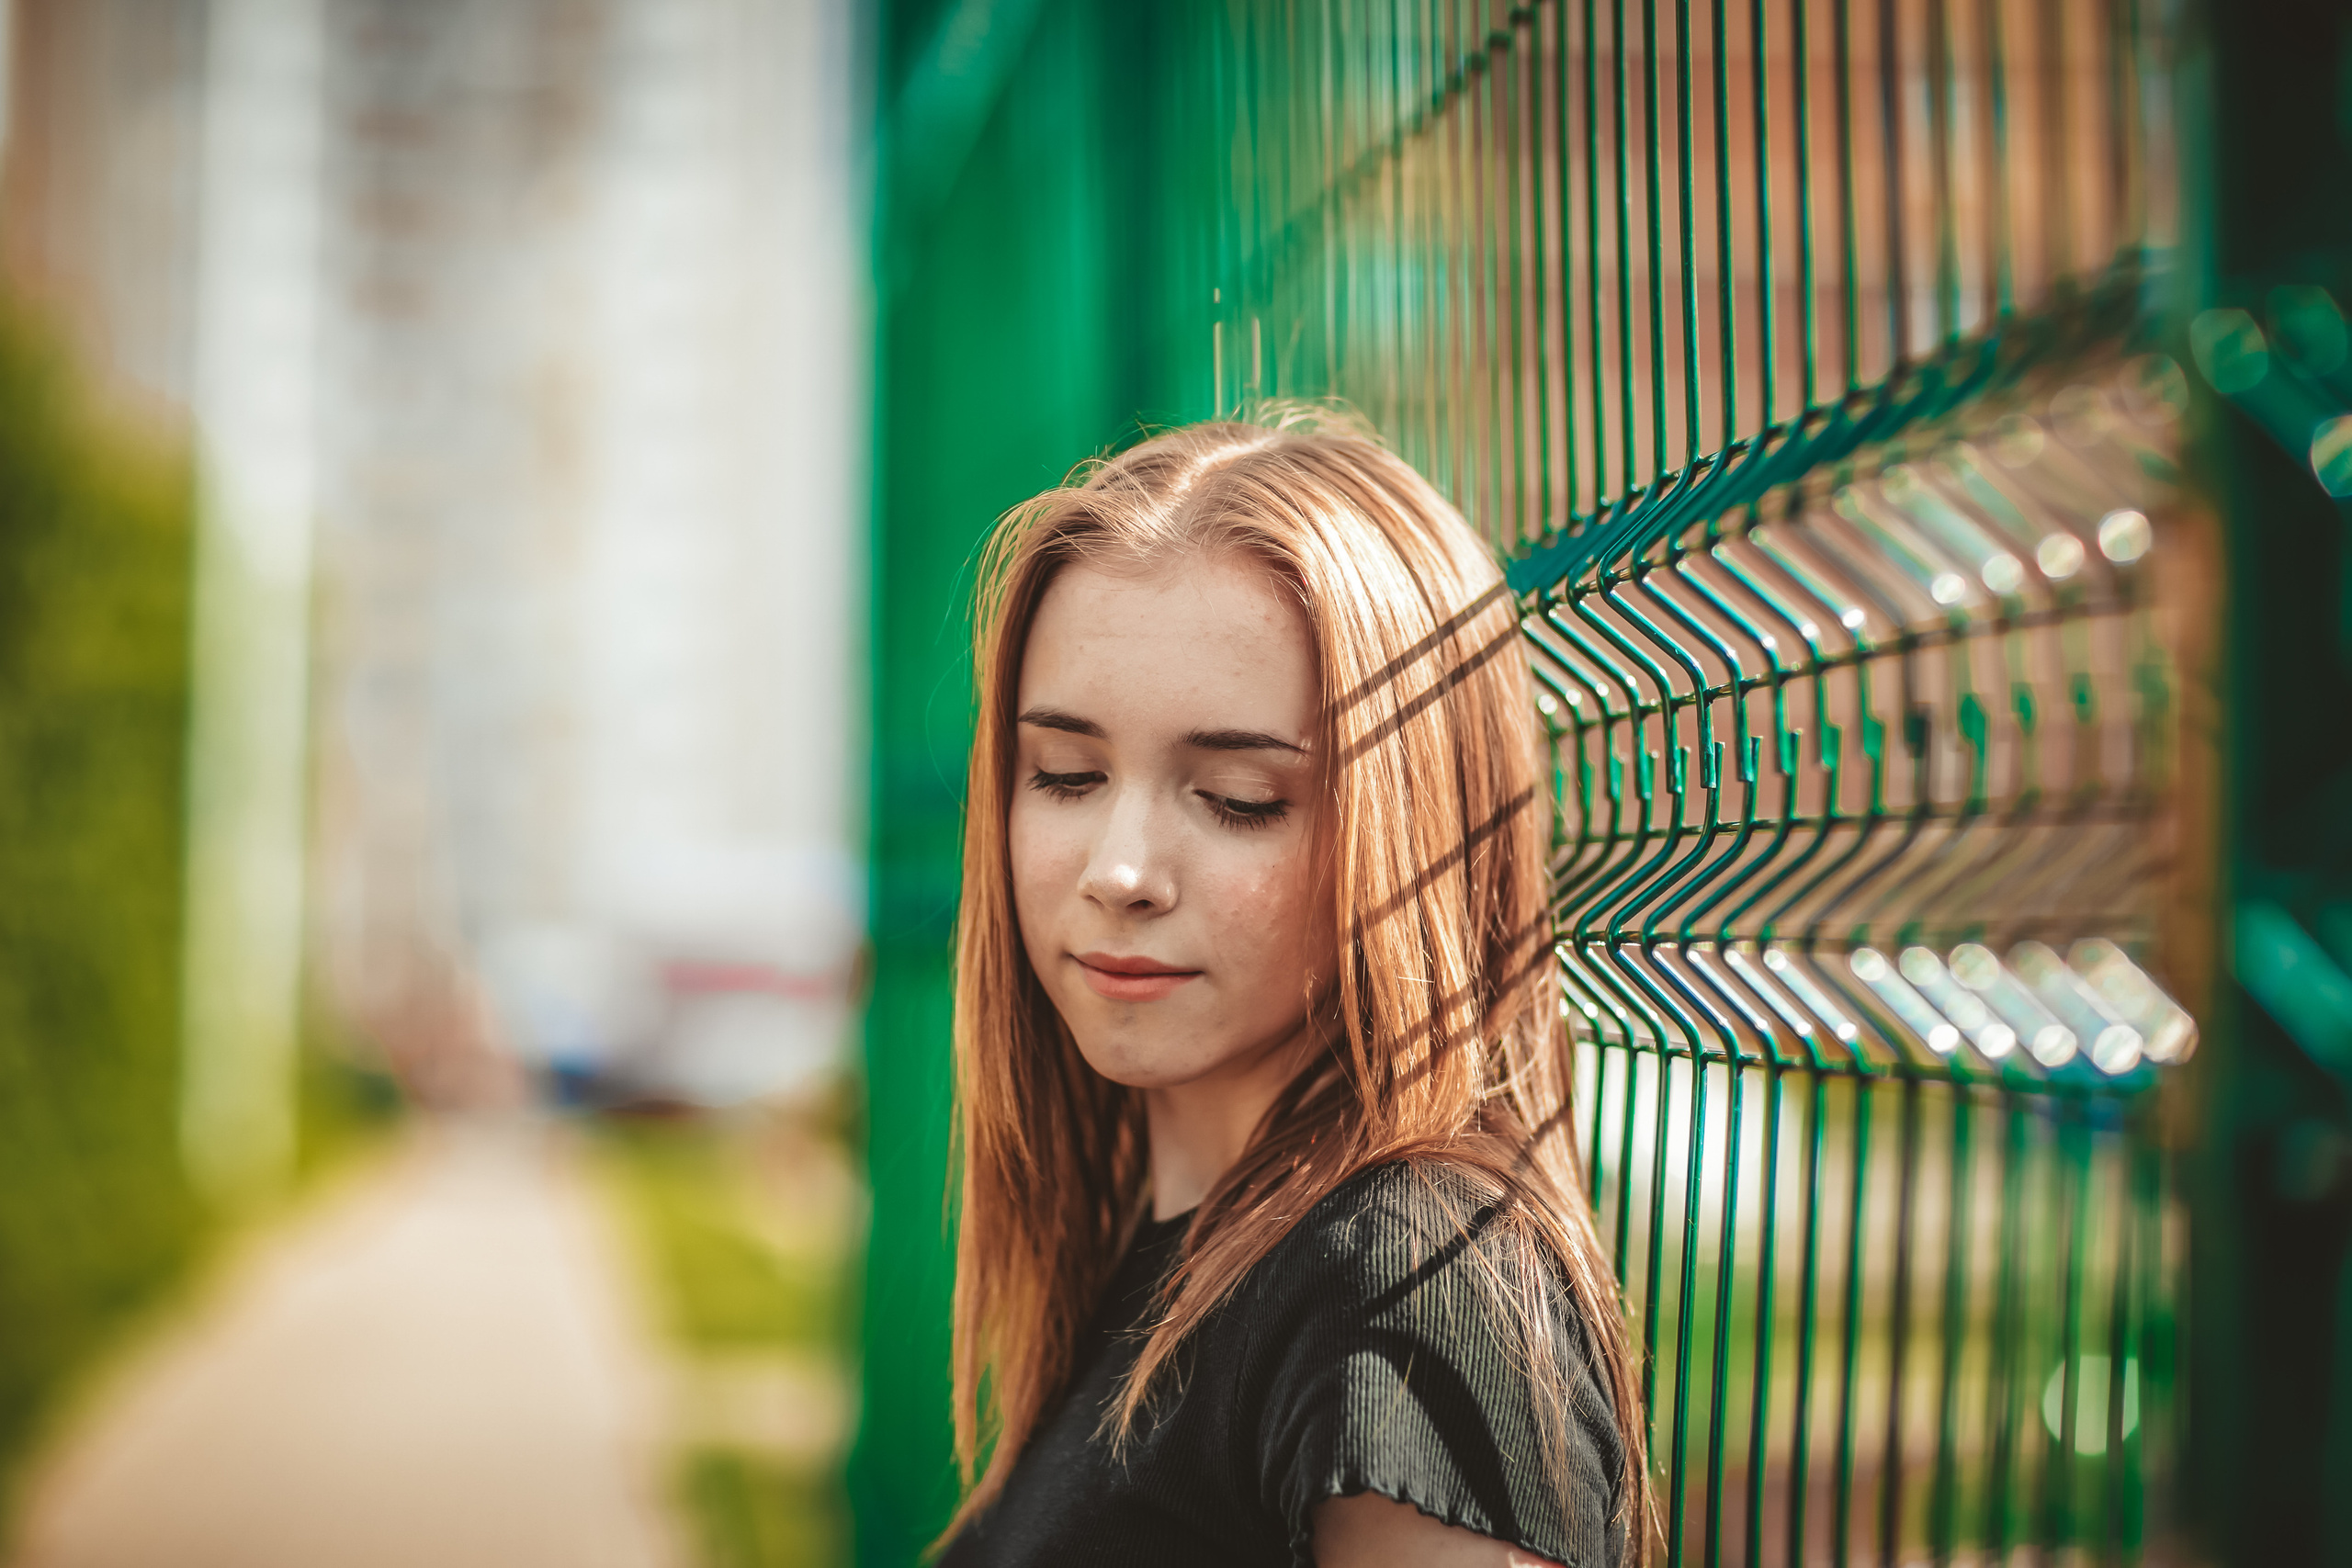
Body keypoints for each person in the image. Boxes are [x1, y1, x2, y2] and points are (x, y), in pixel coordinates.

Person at [936, 408, 1647, 1568]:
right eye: (1064, 775)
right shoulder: (1179, 1241)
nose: (1120, 872)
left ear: (1416, 832)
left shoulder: (1406, 1283)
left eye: (1237, 797)